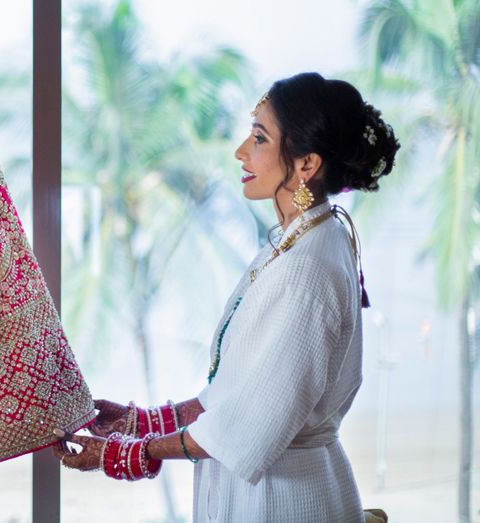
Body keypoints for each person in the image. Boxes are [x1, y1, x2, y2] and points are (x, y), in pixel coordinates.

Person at [52, 72, 400, 522]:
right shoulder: (304, 239)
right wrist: (143, 422)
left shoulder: (307, 268)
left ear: (307, 164)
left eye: (259, 137)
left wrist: (122, 453)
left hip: (283, 501)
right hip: (278, 487)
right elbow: (238, 395)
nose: (240, 151)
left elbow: (246, 427)